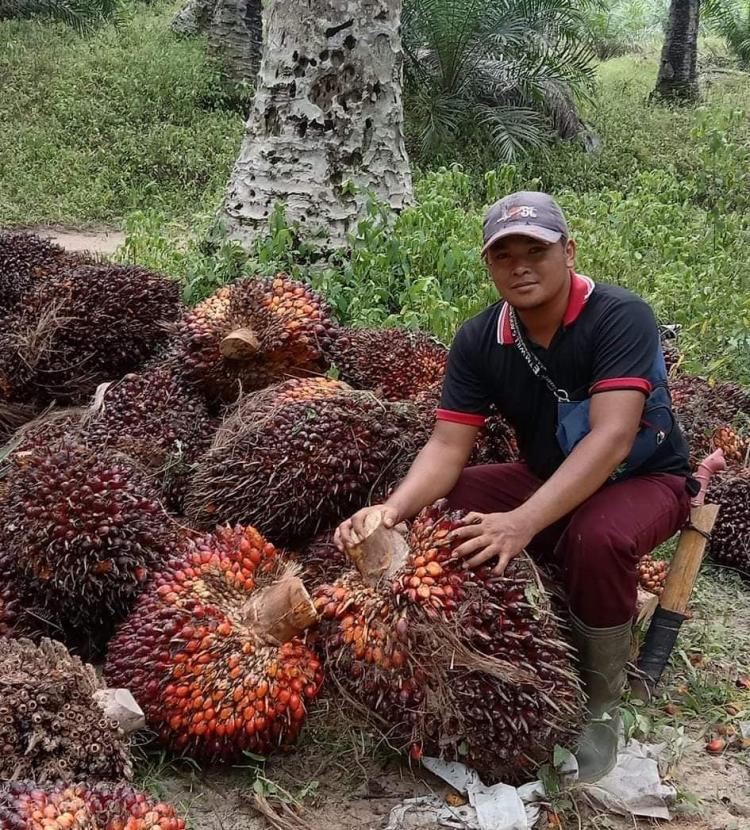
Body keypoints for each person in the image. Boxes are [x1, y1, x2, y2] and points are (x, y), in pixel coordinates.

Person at [335, 191, 696, 783]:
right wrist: (392, 510)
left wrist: (524, 521)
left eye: (536, 251)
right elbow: (447, 447)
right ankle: (503, 628)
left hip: (646, 477)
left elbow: (611, 438)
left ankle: (602, 706)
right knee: (455, 503)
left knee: (598, 538)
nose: (521, 267)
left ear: (568, 252)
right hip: (548, 474)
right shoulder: (480, 339)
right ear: (489, 265)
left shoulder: (620, 316)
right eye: (505, 256)